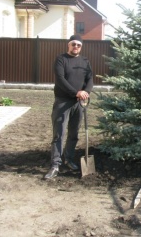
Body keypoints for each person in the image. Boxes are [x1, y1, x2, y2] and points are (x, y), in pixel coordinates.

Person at [44, 34, 93, 179]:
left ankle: (69, 159)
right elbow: (60, 80)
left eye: (78, 45)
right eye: (73, 44)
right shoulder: (61, 59)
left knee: (74, 134)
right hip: (63, 102)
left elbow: (90, 78)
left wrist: (86, 91)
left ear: (81, 47)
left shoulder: (85, 61)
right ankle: (55, 165)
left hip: (79, 104)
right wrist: (76, 92)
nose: (76, 47)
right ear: (69, 45)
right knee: (59, 134)